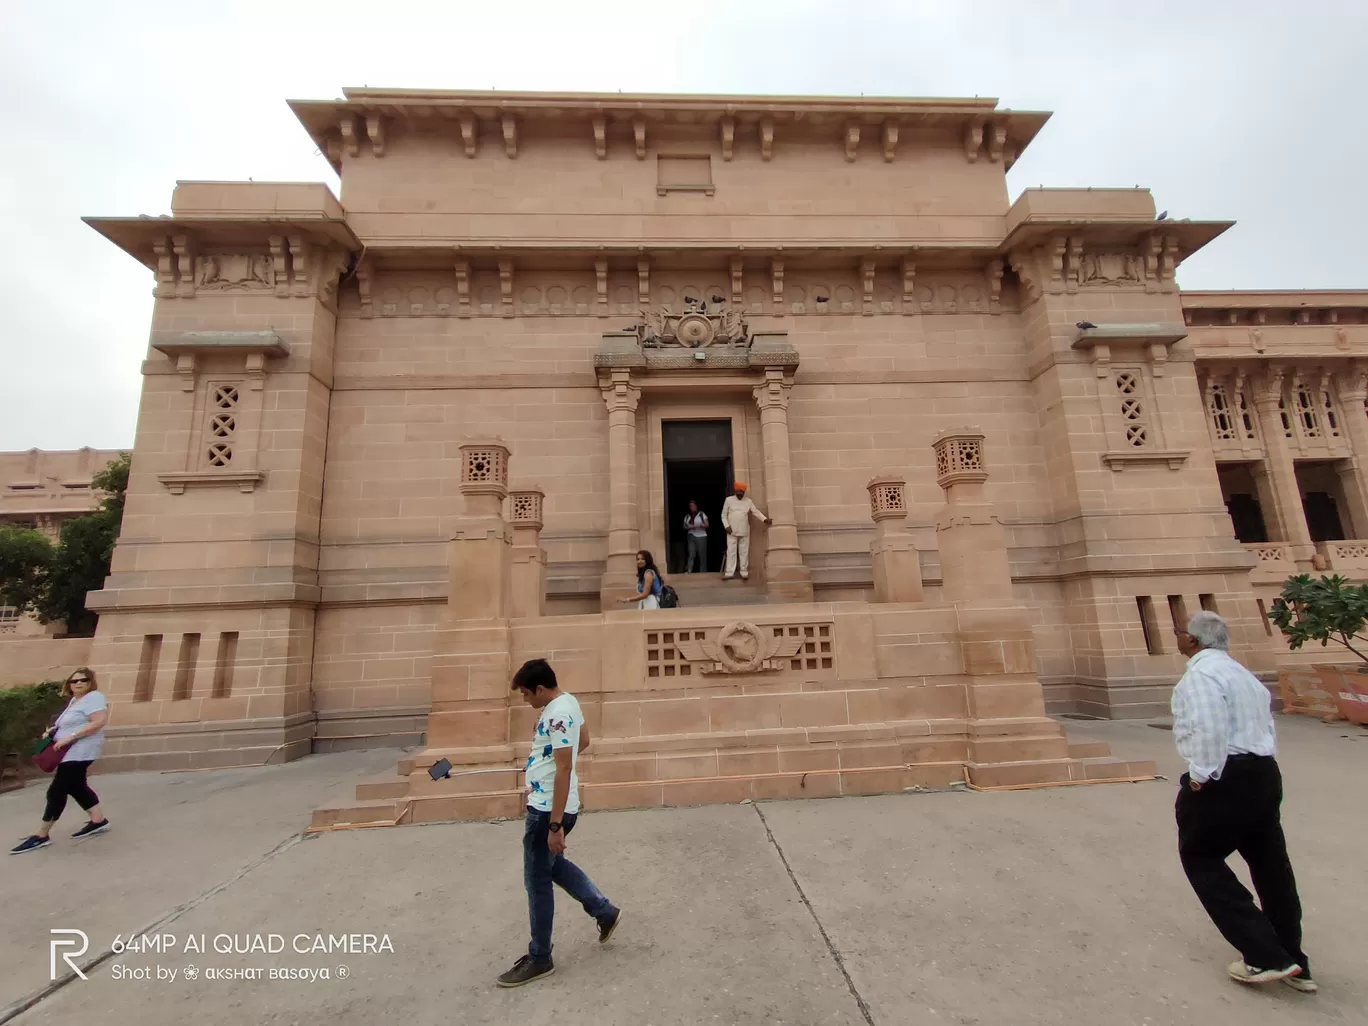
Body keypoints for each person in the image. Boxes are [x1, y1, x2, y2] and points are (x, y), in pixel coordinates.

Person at [1171, 611, 1313, 991]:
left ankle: (1265, 956)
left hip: (1225, 776)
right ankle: (1294, 958)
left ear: (1194, 641)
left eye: (1180, 632)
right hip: (1263, 772)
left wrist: (1200, 778)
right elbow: (1265, 725)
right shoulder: (1242, 675)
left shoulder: (1201, 676)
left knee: (1201, 858)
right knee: (1271, 865)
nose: (1176, 637)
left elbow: (1208, 728)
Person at [497, 659, 621, 987]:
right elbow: (583, 743)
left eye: (526, 694)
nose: (526, 701)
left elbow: (565, 768)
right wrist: (543, 765)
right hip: (555, 803)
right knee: (554, 867)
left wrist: (554, 826)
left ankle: (540, 957)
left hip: (548, 812)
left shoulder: (556, 713)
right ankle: (604, 911)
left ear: (540, 688)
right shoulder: (568, 701)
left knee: (537, 882)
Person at [11, 667, 111, 855]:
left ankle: (42, 835)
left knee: (57, 790)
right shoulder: (76, 700)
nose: (79, 683)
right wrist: (52, 732)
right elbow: (67, 721)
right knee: (76, 786)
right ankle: (98, 820)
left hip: (80, 750)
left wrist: (70, 737)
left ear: (91, 683)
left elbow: (99, 721)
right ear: (69, 684)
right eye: (75, 681)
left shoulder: (94, 697)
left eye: (84, 680)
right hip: (68, 750)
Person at [720, 482, 768, 581]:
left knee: (744, 552)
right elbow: (723, 515)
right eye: (738, 492)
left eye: (742, 492)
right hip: (731, 531)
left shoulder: (748, 501)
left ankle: (744, 572)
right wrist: (726, 526)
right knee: (731, 552)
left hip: (744, 530)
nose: (740, 494)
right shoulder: (728, 500)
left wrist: (764, 519)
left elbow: (756, 512)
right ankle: (729, 573)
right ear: (735, 491)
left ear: (744, 492)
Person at [683, 500, 709, 573]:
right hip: (691, 535)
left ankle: (703, 571)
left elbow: (707, 524)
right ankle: (689, 570)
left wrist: (697, 526)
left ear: (696, 506)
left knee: (702, 555)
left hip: (701, 536)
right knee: (691, 553)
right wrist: (689, 527)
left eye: (693, 505)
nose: (692, 507)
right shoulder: (687, 516)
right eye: (690, 506)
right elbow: (684, 526)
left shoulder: (701, 514)